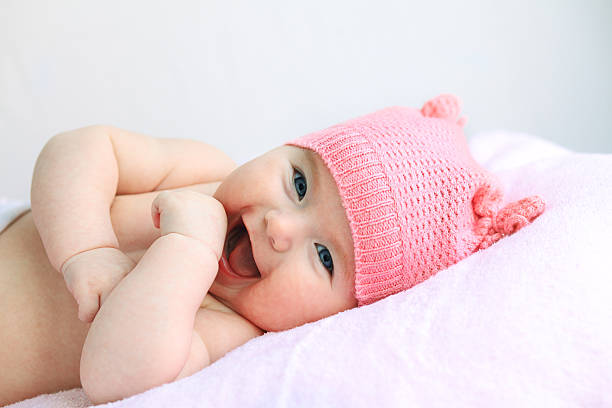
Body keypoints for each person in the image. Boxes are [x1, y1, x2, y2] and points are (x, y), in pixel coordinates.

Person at [0, 94, 545, 405]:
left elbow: (115, 376)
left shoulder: (225, 329)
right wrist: (86, 249)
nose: (282, 229)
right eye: (300, 185)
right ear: (289, 146)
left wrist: (187, 248)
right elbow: (80, 147)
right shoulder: (201, 171)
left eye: (325, 258)